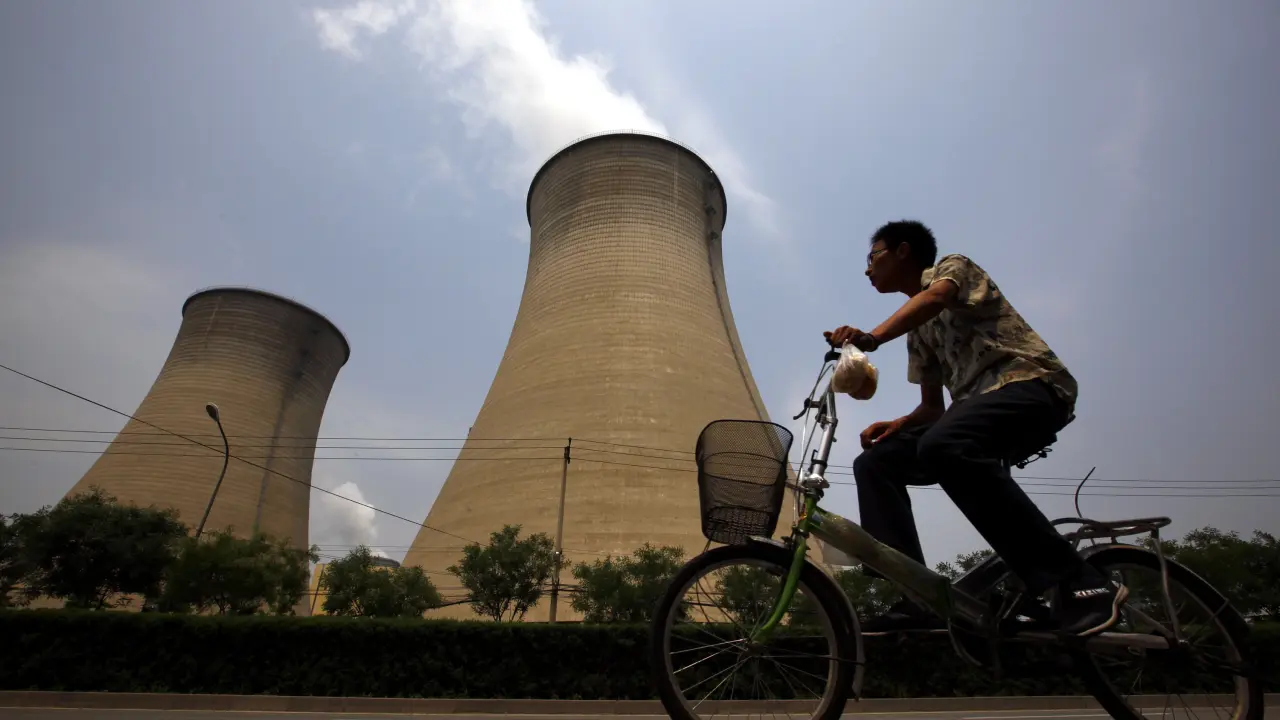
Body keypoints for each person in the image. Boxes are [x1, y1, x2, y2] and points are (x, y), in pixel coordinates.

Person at [824, 220, 1127, 637]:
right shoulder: (919, 332)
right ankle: (916, 595)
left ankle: (1078, 581)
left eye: (873, 257)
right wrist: (900, 423)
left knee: (943, 445)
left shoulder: (953, 268)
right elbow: (933, 408)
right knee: (876, 462)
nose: (867, 269)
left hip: (1031, 386)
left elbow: (936, 298)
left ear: (903, 251)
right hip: (973, 410)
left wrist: (872, 338)